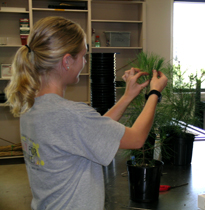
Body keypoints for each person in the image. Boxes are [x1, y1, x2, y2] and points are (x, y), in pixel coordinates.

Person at [5, 16, 168, 210]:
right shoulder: (70, 114)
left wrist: (128, 96)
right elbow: (137, 139)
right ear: (67, 61)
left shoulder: (30, 106)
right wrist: (155, 93)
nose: (84, 62)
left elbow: (93, 131)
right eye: (83, 56)